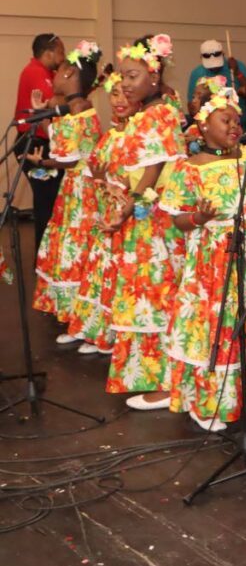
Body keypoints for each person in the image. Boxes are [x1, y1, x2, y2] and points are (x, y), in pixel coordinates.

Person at [160, 88, 246, 432]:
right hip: (211, 261)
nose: (234, 124)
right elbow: (177, 219)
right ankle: (210, 401)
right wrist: (198, 218)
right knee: (216, 324)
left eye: (237, 119)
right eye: (225, 119)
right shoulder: (191, 168)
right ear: (203, 128)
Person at [104, 34, 186, 411]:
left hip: (153, 221)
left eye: (133, 75)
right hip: (140, 218)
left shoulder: (160, 113)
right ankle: (152, 374)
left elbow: (153, 168)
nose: (125, 83)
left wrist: (128, 205)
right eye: (123, 76)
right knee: (144, 297)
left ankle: (170, 383)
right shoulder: (144, 113)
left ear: (154, 77)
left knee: (159, 297)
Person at [29, 41, 104, 342]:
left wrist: (43, 160)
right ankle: (78, 318)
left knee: (79, 251)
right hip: (76, 189)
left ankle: (84, 323)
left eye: (58, 71)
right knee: (73, 250)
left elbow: (69, 157)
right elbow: (60, 110)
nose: (54, 76)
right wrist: (44, 109)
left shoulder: (79, 110)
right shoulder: (77, 106)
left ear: (70, 71)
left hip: (82, 192)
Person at [66, 72, 139, 355]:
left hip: (131, 220)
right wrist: (100, 182)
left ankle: (116, 337)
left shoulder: (141, 136)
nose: (120, 101)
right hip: (109, 217)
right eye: (114, 94)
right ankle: (98, 330)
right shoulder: (109, 137)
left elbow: (144, 184)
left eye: (125, 93)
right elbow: (100, 183)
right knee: (101, 274)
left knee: (123, 278)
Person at [13, 33, 66, 247]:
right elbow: (52, 103)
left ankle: (46, 255)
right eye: (61, 52)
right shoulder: (35, 72)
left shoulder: (45, 71)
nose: (63, 57)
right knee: (46, 201)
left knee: (50, 200)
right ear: (48, 53)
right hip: (32, 143)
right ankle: (42, 257)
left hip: (41, 143)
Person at [186, 40, 246, 128]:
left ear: (223, 54)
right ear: (201, 58)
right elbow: (191, 106)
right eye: (211, 67)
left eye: (217, 64)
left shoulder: (237, 66)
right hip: (209, 128)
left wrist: (237, 72)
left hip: (238, 125)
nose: (214, 68)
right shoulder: (197, 73)